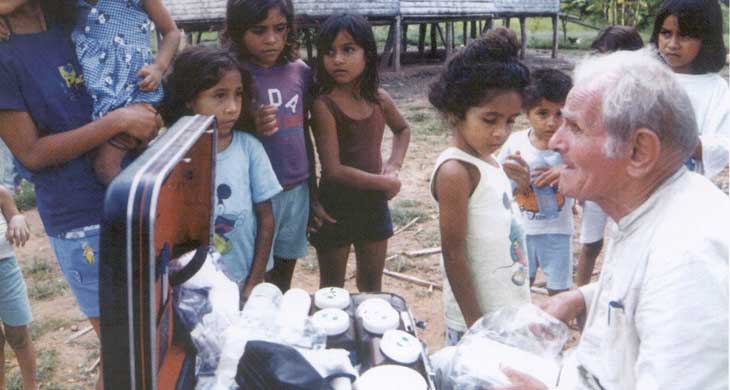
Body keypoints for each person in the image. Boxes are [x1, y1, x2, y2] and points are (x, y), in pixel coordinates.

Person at [504, 49, 728, 390]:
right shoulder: (649, 204)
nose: (557, 140)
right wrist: (584, 297)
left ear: (639, 152)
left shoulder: (689, 261)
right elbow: (644, 292)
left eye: (575, 126)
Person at [0, 2, 161, 388]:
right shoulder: (4, 56)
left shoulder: (73, 17)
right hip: (78, 214)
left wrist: (141, 118)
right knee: (126, 343)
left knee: (139, 336)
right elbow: (32, 153)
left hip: (129, 189)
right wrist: (119, 121)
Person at [429, 28, 531, 346]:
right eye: (490, 120)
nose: (501, 132)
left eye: (510, 121)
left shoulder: (490, 160)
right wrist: (476, 328)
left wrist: (518, 186)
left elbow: (492, 220)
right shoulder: (455, 171)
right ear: (456, 112)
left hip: (506, 308)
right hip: (479, 322)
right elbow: (454, 254)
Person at [224, 0, 333, 292]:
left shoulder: (300, 72)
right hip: (254, 196)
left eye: (280, 29)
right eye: (259, 30)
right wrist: (249, 123)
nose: (271, 39)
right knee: (252, 276)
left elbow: (302, 133)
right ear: (238, 31)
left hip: (296, 190)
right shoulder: (232, 75)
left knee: (282, 276)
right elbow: (218, 131)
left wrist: (312, 193)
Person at [160, 46, 281, 302]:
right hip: (192, 285)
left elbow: (266, 219)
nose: (232, 108)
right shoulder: (168, 155)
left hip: (244, 277)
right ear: (189, 99)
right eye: (219, 96)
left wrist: (255, 279)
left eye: (238, 95)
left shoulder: (249, 149)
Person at [308, 14, 411, 292]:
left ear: (368, 53)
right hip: (335, 206)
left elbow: (402, 130)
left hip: (373, 205)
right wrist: (385, 183)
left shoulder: (379, 99)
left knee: (371, 286)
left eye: (348, 49)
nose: (337, 59)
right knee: (332, 290)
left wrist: (394, 166)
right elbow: (334, 170)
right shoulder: (324, 104)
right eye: (329, 52)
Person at [71, 0, 180, 184]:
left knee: (106, 165)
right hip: (98, 90)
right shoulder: (68, 5)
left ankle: (136, 207)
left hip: (132, 89)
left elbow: (172, 32)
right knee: (124, 159)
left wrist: (158, 68)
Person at [576, 25, 644, 287]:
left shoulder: (643, 96)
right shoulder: (588, 93)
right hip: (597, 174)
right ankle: (580, 298)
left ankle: (621, 294)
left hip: (629, 180)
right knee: (590, 242)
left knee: (628, 239)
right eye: (601, 57)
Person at [498, 68, 574, 295]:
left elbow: (589, 182)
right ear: (526, 112)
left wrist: (567, 172)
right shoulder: (515, 143)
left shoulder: (572, 146)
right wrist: (518, 185)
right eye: (543, 113)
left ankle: (559, 327)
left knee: (559, 290)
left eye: (560, 114)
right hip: (523, 230)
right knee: (520, 286)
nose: (552, 122)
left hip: (558, 232)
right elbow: (501, 188)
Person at [651, 0, 729, 180]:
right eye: (666, 33)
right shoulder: (644, 76)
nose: (672, 44)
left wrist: (675, 142)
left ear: (707, 40)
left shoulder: (715, 89)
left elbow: (723, 146)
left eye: (684, 36)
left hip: (687, 187)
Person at [0, 186, 34, 390]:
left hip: (5, 270)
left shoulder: (1, 193)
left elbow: (16, 216)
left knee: (18, 336)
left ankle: (31, 386)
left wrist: (18, 219)